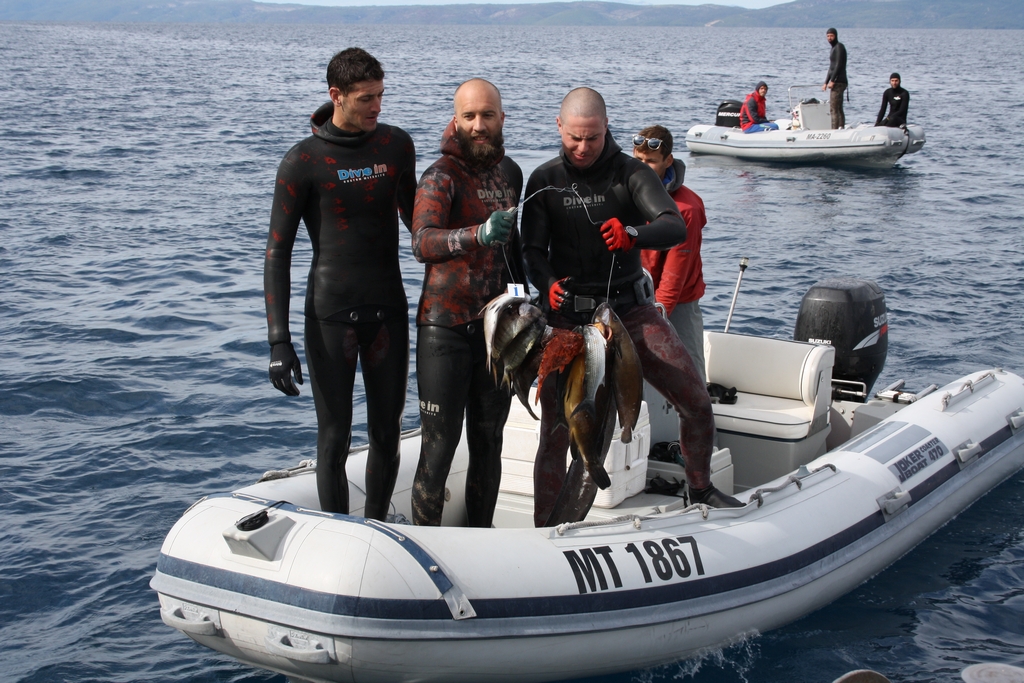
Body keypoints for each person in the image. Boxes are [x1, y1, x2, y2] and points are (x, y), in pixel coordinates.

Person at [522, 87, 740, 527]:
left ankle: (700, 488)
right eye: (574, 138)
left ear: (607, 128)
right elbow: (530, 249)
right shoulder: (544, 179)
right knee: (556, 431)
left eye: (593, 138)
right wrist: (546, 283)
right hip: (567, 318)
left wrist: (633, 234)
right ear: (559, 127)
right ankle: (546, 525)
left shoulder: (631, 173)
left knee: (696, 402)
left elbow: (673, 225)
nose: (583, 148)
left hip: (629, 312)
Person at [263, 48, 416, 520]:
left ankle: (377, 524)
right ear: (337, 96)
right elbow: (277, 253)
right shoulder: (303, 161)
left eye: (381, 95)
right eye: (366, 98)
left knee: (388, 432)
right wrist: (278, 340)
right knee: (335, 436)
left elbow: (420, 224)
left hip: (388, 309)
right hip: (331, 315)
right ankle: (337, 528)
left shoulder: (396, 146)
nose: (377, 106)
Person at [409, 79, 525, 527]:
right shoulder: (440, 175)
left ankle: (480, 536)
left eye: (487, 115)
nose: (479, 125)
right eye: (470, 116)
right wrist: (478, 234)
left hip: (497, 332)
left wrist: (526, 308)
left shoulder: (509, 174)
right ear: (456, 120)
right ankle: (427, 545)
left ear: (502, 118)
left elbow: (514, 254)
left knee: (489, 441)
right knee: (439, 447)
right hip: (446, 330)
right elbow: (422, 242)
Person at [632, 126, 708, 386]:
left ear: (668, 161)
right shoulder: (626, 194)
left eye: (651, 161)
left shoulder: (687, 209)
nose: (642, 167)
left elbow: (674, 278)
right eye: (638, 159)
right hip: (634, 299)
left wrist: (657, 317)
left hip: (679, 305)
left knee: (689, 376)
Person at [821, 28, 848, 129]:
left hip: (839, 81)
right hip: (836, 80)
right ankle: (841, 127)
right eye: (828, 36)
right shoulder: (833, 48)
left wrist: (832, 80)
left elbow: (839, 65)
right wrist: (826, 82)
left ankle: (835, 130)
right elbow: (831, 67)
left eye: (831, 36)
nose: (829, 38)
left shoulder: (839, 47)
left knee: (834, 108)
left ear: (836, 36)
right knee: (838, 107)